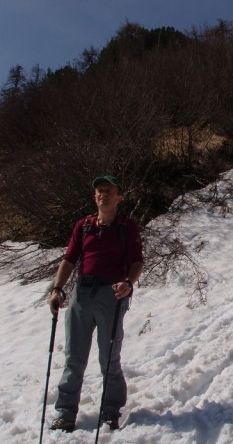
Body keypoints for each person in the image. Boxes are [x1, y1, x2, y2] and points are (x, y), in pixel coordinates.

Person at [48, 175, 144, 433]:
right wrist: (57, 288)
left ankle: (111, 411)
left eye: (109, 191)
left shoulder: (127, 227)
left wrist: (128, 282)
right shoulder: (84, 226)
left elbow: (137, 261)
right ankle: (65, 413)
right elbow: (69, 259)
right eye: (99, 191)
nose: (103, 194)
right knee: (73, 358)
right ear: (95, 197)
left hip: (111, 295)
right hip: (82, 294)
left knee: (108, 358)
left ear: (119, 197)